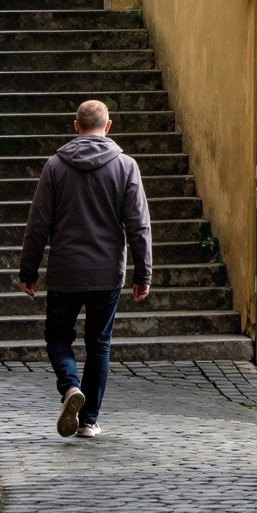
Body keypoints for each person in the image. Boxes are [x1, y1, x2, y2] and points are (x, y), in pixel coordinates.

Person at [20, 98, 152, 440]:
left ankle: (69, 386)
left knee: (57, 337)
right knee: (99, 345)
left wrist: (29, 270)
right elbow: (138, 225)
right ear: (108, 126)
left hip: (65, 270)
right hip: (107, 273)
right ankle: (89, 420)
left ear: (75, 126)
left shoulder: (55, 166)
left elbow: (38, 224)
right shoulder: (126, 166)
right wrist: (143, 273)